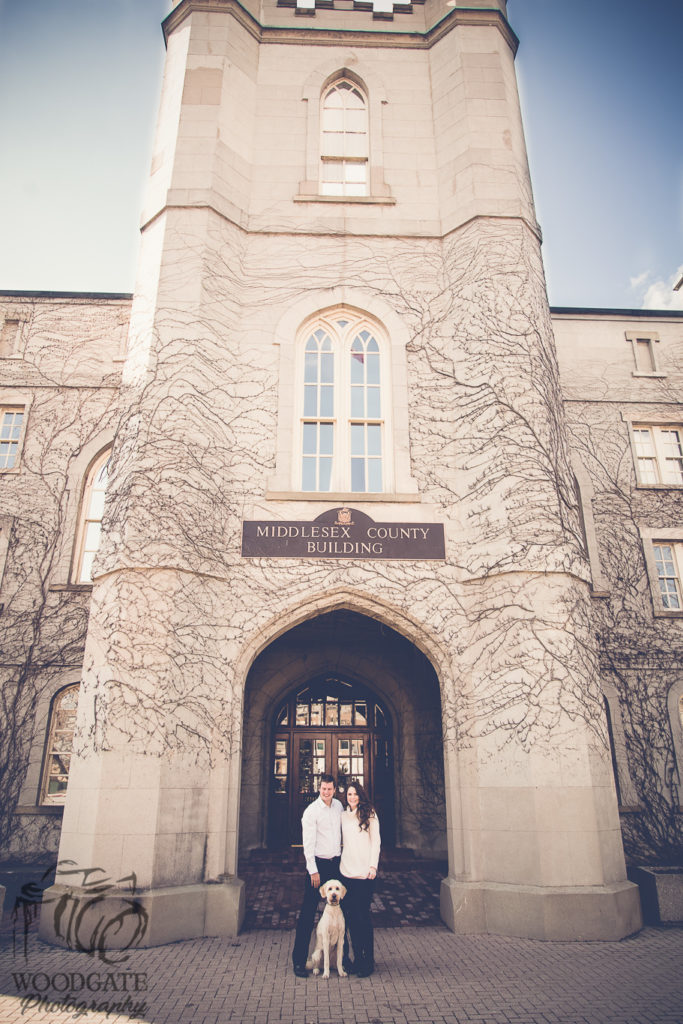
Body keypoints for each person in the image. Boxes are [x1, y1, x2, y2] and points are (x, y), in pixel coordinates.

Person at [291, 773, 343, 977]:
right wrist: (313, 870)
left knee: (341, 913)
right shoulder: (311, 812)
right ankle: (299, 960)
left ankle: (342, 959)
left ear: (334, 789)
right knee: (308, 913)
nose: (326, 792)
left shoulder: (339, 806)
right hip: (318, 867)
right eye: (323, 789)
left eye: (329, 789)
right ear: (318, 788)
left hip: (336, 865)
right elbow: (308, 844)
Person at [339, 780, 380, 978]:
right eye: (349, 794)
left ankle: (368, 960)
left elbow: (376, 843)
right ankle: (357, 959)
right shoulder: (343, 817)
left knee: (363, 918)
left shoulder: (370, 814)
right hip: (346, 873)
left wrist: (373, 866)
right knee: (351, 920)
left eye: (355, 794)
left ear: (360, 795)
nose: (352, 797)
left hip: (365, 874)